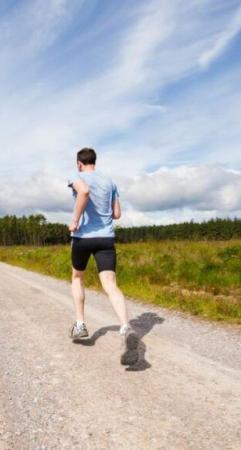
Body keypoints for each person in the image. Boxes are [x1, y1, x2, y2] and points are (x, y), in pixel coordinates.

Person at [67, 147, 139, 365]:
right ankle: (126, 327)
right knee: (110, 284)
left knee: (78, 277)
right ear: (94, 162)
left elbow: (84, 191)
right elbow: (117, 213)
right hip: (106, 238)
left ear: (79, 163)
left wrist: (75, 220)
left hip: (82, 238)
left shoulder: (76, 177)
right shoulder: (110, 182)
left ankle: (80, 325)